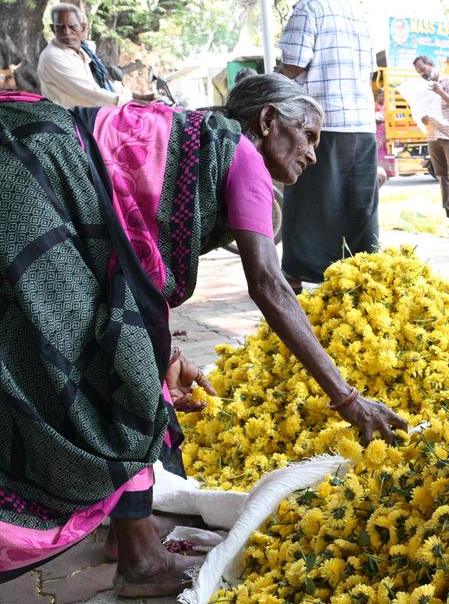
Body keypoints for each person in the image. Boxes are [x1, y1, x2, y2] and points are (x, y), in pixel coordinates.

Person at [0, 74, 405, 594]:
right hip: (33, 178)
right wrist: (348, 400)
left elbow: (133, 276)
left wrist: (162, 358)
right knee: (109, 370)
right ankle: (140, 559)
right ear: (267, 122)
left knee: (125, 359)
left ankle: (126, 537)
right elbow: (270, 287)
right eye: (308, 136)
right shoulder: (243, 158)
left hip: (29, 154)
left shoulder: (200, 139)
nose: (312, 155)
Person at [277, 0, 378, 291]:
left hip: (319, 126)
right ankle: (362, 277)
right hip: (361, 126)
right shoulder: (357, 13)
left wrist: (269, 81)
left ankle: (294, 279)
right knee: (356, 206)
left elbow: (292, 66)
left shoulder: (309, 8)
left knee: (308, 205)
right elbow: (370, 72)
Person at [36, 3, 154, 108]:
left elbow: (103, 84)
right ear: (53, 29)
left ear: (82, 27)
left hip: (92, 112)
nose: (66, 32)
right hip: (72, 120)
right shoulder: (53, 57)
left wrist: (142, 97)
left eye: (72, 26)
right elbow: (90, 93)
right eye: (60, 27)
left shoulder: (85, 50)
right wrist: (133, 102)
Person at [413, 55, 449, 224]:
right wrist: (422, 118)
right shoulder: (422, 87)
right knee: (441, 175)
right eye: (418, 71)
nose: (421, 73)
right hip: (433, 134)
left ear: (431, 65)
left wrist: (440, 92)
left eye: (423, 69)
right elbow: (422, 108)